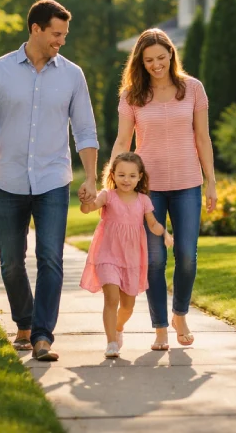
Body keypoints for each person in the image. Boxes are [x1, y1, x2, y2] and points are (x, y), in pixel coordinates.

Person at [0, 0, 99, 361]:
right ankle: (24, 321)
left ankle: (43, 336)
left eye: (65, 35)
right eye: (57, 34)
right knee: (11, 260)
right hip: (7, 179)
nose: (62, 41)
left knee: (51, 259)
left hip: (53, 180)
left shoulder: (73, 75)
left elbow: (85, 131)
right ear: (36, 29)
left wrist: (91, 177)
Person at [111, 28, 217, 352]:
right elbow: (122, 141)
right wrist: (112, 183)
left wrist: (210, 181)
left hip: (187, 184)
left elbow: (203, 138)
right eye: (148, 60)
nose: (156, 64)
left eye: (160, 57)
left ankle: (180, 314)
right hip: (149, 190)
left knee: (186, 256)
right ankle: (159, 328)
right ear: (140, 63)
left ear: (171, 54)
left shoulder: (193, 89)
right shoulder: (132, 96)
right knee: (155, 260)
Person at [79, 152, 174, 358]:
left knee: (128, 306)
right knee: (111, 299)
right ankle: (111, 342)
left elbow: (153, 224)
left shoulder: (143, 200)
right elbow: (88, 208)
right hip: (107, 255)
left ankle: (118, 328)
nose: (126, 180)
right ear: (113, 175)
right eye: (121, 175)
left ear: (140, 177)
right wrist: (86, 200)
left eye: (132, 175)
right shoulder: (107, 195)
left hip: (131, 259)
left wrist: (165, 233)